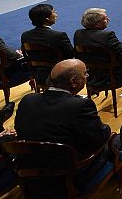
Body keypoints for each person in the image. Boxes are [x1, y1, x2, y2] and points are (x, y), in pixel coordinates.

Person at [15, 59, 114, 195]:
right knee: (118, 141)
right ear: (73, 81)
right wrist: (107, 129)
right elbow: (100, 137)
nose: (88, 76)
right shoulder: (80, 106)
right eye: (85, 73)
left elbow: (20, 131)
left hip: (32, 174)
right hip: (71, 175)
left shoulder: (27, 100)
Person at [73, 8, 122, 88]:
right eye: (105, 18)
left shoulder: (78, 34)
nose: (109, 19)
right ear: (97, 24)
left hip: (90, 76)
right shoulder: (107, 35)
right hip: (113, 76)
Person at [20, 3, 74, 86]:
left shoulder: (25, 35)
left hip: (38, 74)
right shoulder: (59, 36)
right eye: (54, 12)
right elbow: (70, 55)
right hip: (60, 74)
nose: (56, 14)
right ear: (47, 18)